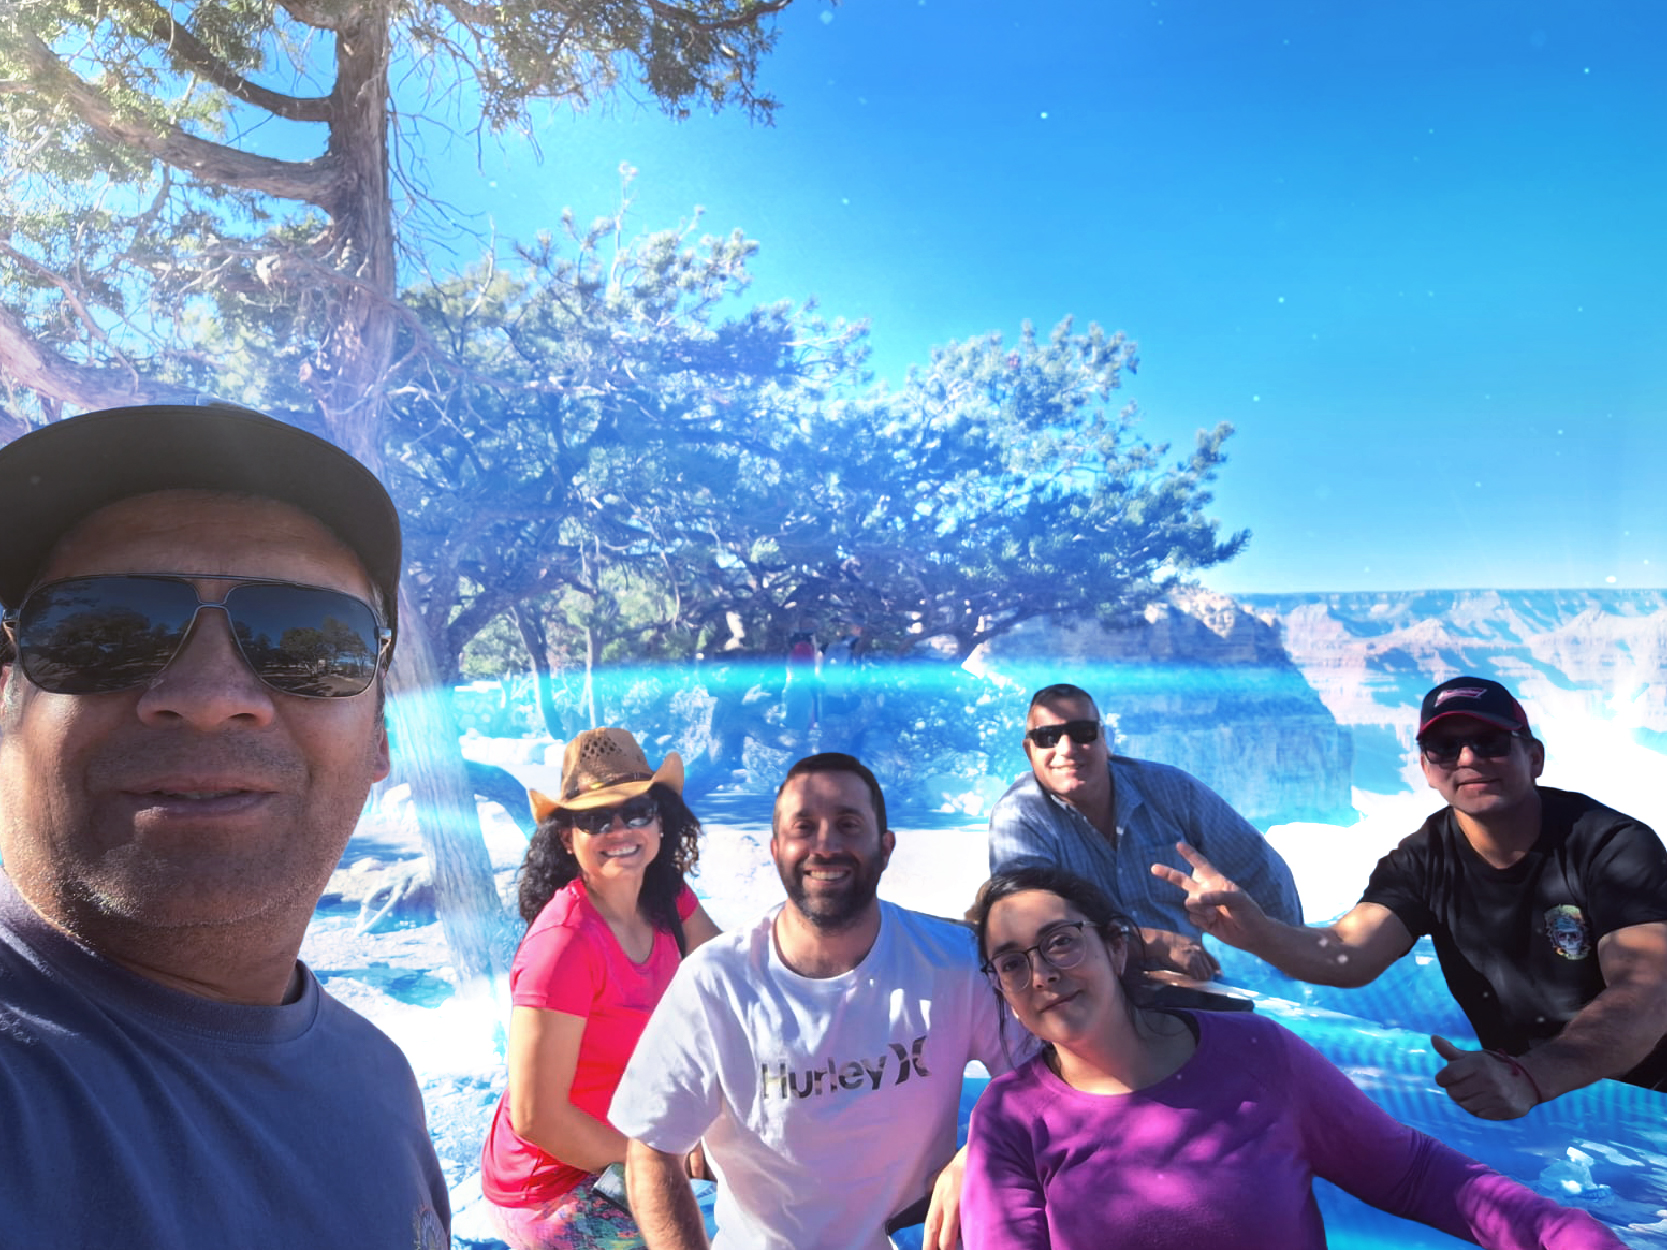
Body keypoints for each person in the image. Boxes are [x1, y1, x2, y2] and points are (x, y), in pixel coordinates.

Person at [0, 403, 450, 1246]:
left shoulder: (379, 1081)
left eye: (308, 642)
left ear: (381, 738)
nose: (208, 697)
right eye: (99, 630)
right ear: (5, 700)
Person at [960, 865, 1628, 1250]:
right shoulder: (1011, 1117)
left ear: (1115, 946)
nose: (1042, 974)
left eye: (1060, 942)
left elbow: (1415, 1175)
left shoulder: (1255, 1054)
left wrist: (1560, 1233)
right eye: (1011, 963)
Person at [1154, 676, 1667, 1119]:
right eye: (1445, 747)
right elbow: (1349, 953)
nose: (1468, 759)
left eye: (1490, 742)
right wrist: (1256, 933)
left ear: (1534, 758)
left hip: (1648, 1098)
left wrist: (1533, 1076)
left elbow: (1648, 994)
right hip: (1540, 1103)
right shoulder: (1424, 858)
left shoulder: (1612, 847)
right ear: (1426, 768)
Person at [610, 752, 1013, 1250]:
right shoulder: (715, 983)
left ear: (886, 846)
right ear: (776, 849)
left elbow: (1049, 1074)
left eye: (848, 824)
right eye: (804, 827)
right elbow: (651, 1149)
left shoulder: (953, 962)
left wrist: (979, 1151)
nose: (826, 845)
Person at [480, 728, 720, 1248]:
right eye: (595, 819)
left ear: (660, 821)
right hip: (555, 1184)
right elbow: (538, 1118)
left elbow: (731, 979)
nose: (620, 830)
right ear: (568, 838)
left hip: (634, 1142)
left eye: (636, 811)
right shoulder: (563, 945)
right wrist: (664, 1161)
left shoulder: (666, 898)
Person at [986, 682, 1301, 980]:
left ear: (1104, 740)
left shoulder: (1171, 790)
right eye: (1047, 737)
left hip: (1191, 984)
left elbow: (1257, 867)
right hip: (1084, 991)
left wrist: (1291, 957)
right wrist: (1153, 943)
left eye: (1082, 733)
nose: (1067, 749)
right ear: (1029, 751)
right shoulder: (1019, 817)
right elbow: (1032, 924)